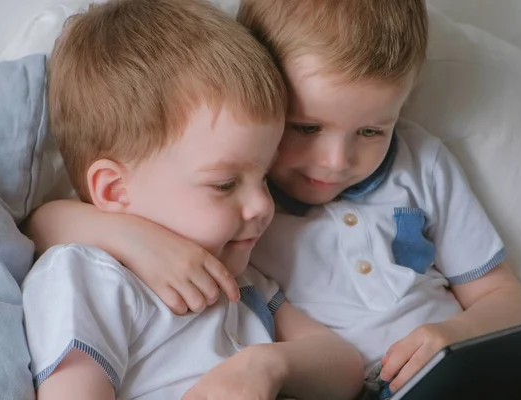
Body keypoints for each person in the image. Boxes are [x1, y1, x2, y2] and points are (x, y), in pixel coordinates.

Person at [26, 0, 521, 398]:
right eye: (302, 129)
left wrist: (452, 337)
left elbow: (497, 299)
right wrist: (135, 238)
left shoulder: (244, 264)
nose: (334, 162)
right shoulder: (225, 234)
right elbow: (38, 223)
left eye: (373, 131)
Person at [21, 0, 363, 399]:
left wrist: (266, 365)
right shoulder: (90, 278)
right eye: (224, 184)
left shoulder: (241, 277)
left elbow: (346, 366)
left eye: (264, 176)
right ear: (115, 190)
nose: (262, 206)